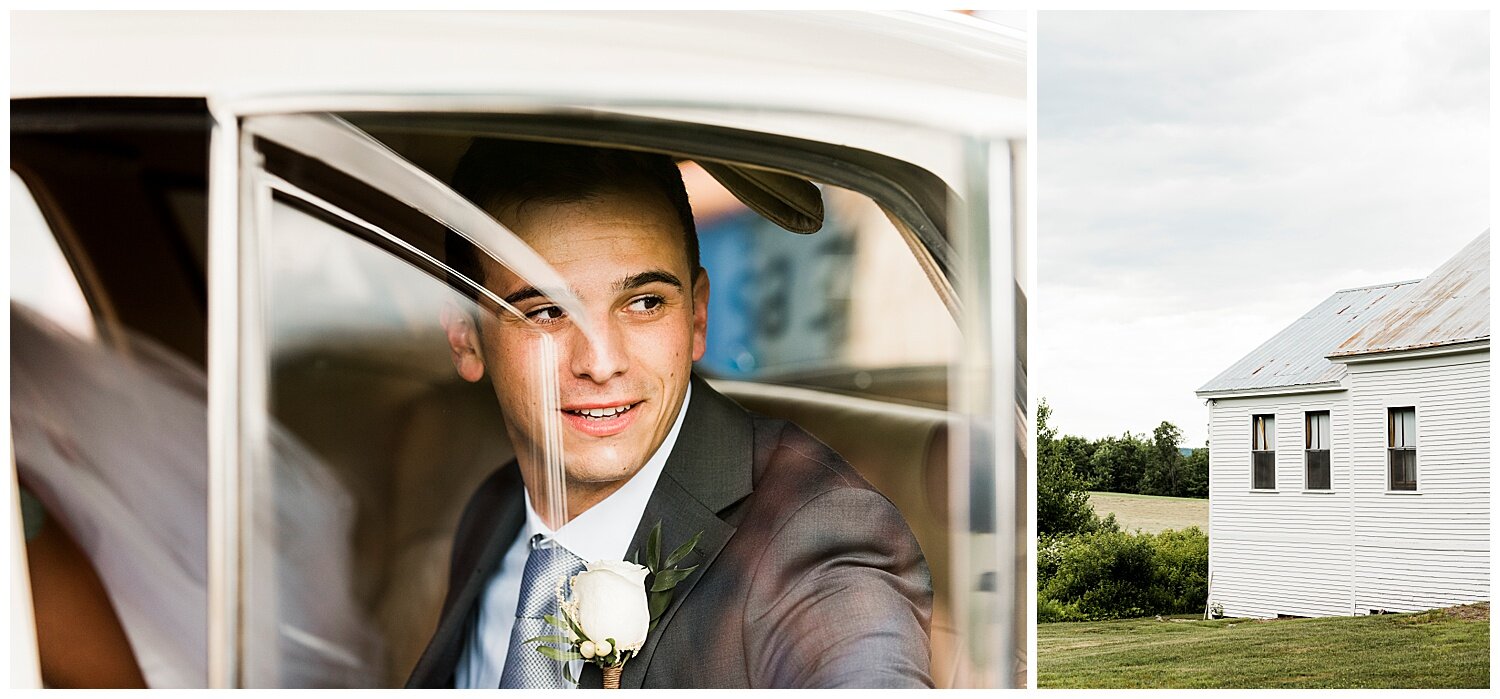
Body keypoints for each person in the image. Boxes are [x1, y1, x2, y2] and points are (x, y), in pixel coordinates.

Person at [406, 140, 932, 689]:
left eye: (645, 302)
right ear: (465, 338)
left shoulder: (815, 538)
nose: (602, 362)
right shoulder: (496, 507)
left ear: (698, 315)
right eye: (546, 312)